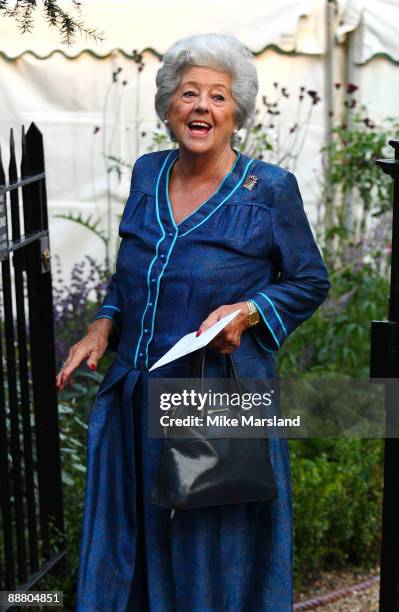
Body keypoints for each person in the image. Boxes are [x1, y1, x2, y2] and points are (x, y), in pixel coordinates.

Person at [56, 32, 330, 611]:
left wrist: (252, 310)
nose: (201, 106)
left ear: (237, 115)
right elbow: (132, 271)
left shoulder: (271, 190)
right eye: (188, 94)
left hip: (216, 404)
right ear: (168, 107)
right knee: (129, 548)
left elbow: (309, 281)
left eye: (218, 97)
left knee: (213, 557)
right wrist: (103, 324)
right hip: (134, 397)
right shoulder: (147, 173)